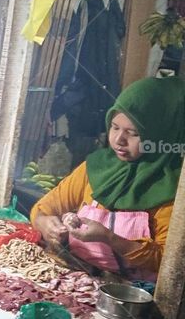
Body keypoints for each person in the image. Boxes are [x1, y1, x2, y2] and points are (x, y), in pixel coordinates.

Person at [30, 75, 185, 280]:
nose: (119, 140)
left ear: (161, 135)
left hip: (129, 295)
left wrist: (109, 238)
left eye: (133, 133)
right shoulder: (96, 167)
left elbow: (166, 261)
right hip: (77, 278)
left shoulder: (174, 189)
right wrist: (45, 224)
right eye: (115, 127)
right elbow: (42, 209)